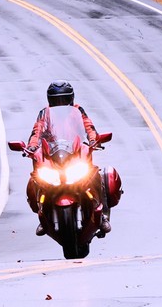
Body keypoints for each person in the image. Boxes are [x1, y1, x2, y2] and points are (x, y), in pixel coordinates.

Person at [23, 81, 115, 236]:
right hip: (52, 154)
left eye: (64, 99)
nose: (60, 103)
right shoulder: (44, 114)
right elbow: (36, 131)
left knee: (95, 174)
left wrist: (94, 140)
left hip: (75, 152)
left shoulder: (77, 111)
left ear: (70, 99)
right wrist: (31, 147)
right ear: (50, 100)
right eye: (56, 100)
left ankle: (103, 214)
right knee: (35, 179)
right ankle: (42, 215)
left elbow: (89, 127)